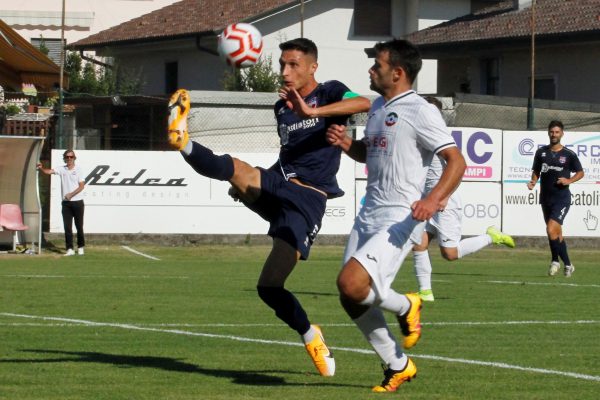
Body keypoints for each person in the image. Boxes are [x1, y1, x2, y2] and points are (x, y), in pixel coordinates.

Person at [166, 38, 371, 376]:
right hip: (281, 185)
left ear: (312, 68)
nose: (286, 72)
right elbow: (286, 158)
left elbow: (364, 102)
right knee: (234, 167)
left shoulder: (332, 91)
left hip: (307, 201)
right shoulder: (281, 108)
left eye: (293, 65)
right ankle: (182, 141)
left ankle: (310, 335)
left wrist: (312, 111)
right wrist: (249, 185)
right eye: (282, 65)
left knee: (270, 286)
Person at [326, 39, 466, 392]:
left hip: (399, 216)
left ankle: (405, 305)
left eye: (378, 65)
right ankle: (397, 364)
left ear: (398, 73)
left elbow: (456, 161)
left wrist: (433, 200)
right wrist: (348, 146)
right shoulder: (376, 107)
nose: (371, 70)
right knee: (350, 296)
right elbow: (370, 153)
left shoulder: (421, 110)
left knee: (351, 284)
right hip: (368, 213)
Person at [411, 96, 515, 302]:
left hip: (443, 202)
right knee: (418, 244)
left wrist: (445, 196)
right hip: (428, 199)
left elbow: (457, 168)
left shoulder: (440, 138)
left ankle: (491, 236)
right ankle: (425, 292)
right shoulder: (420, 134)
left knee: (450, 253)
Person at [527, 120, 584, 277]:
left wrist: (569, 180)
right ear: (548, 133)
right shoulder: (541, 153)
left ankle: (554, 261)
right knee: (555, 233)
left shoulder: (568, 154)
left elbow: (580, 172)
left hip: (562, 198)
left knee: (551, 228)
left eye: (557, 132)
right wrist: (533, 181)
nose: (554, 134)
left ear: (562, 134)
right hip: (545, 198)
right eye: (552, 132)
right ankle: (568, 264)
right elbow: (536, 171)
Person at [37, 149, 86, 256]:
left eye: (71, 157)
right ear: (64, 158)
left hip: (77, 202)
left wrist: (71, 194)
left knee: (79, 226)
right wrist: (41, 168)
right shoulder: (62, 169)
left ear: (74, 158)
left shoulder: (79, 170)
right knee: (67, 227)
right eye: (67, 157)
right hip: (66, 204)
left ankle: (81, 247)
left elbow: (81, 186)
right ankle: (70, 249)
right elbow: (48, 171)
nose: (69, 159)